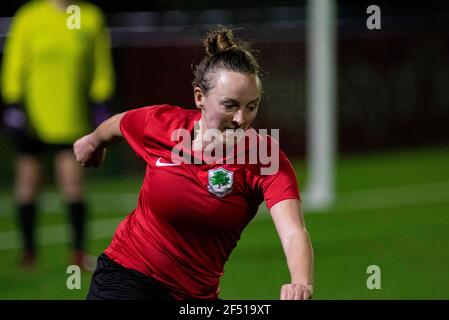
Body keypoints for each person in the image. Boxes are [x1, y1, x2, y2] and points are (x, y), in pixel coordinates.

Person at [74, 26, 314, 300]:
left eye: (251, 106)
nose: (241, 119)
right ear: (200, 97)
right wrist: (93, 142)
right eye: (230, 105)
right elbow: (120, 123)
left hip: (195, 297)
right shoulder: (162, 125)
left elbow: (294, 231)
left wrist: (301, 282)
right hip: (126, 274)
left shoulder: (265, 158)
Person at [1, 0, 115, 269]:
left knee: (73, 186)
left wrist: (100, 100)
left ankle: (77, 253)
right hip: (33, 117)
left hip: (70, 115)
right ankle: (29, 254)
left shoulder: (90, 17)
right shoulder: (29, 15)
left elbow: (100, 65)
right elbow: (14, 61)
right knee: (27, 186)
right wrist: (13, 102)